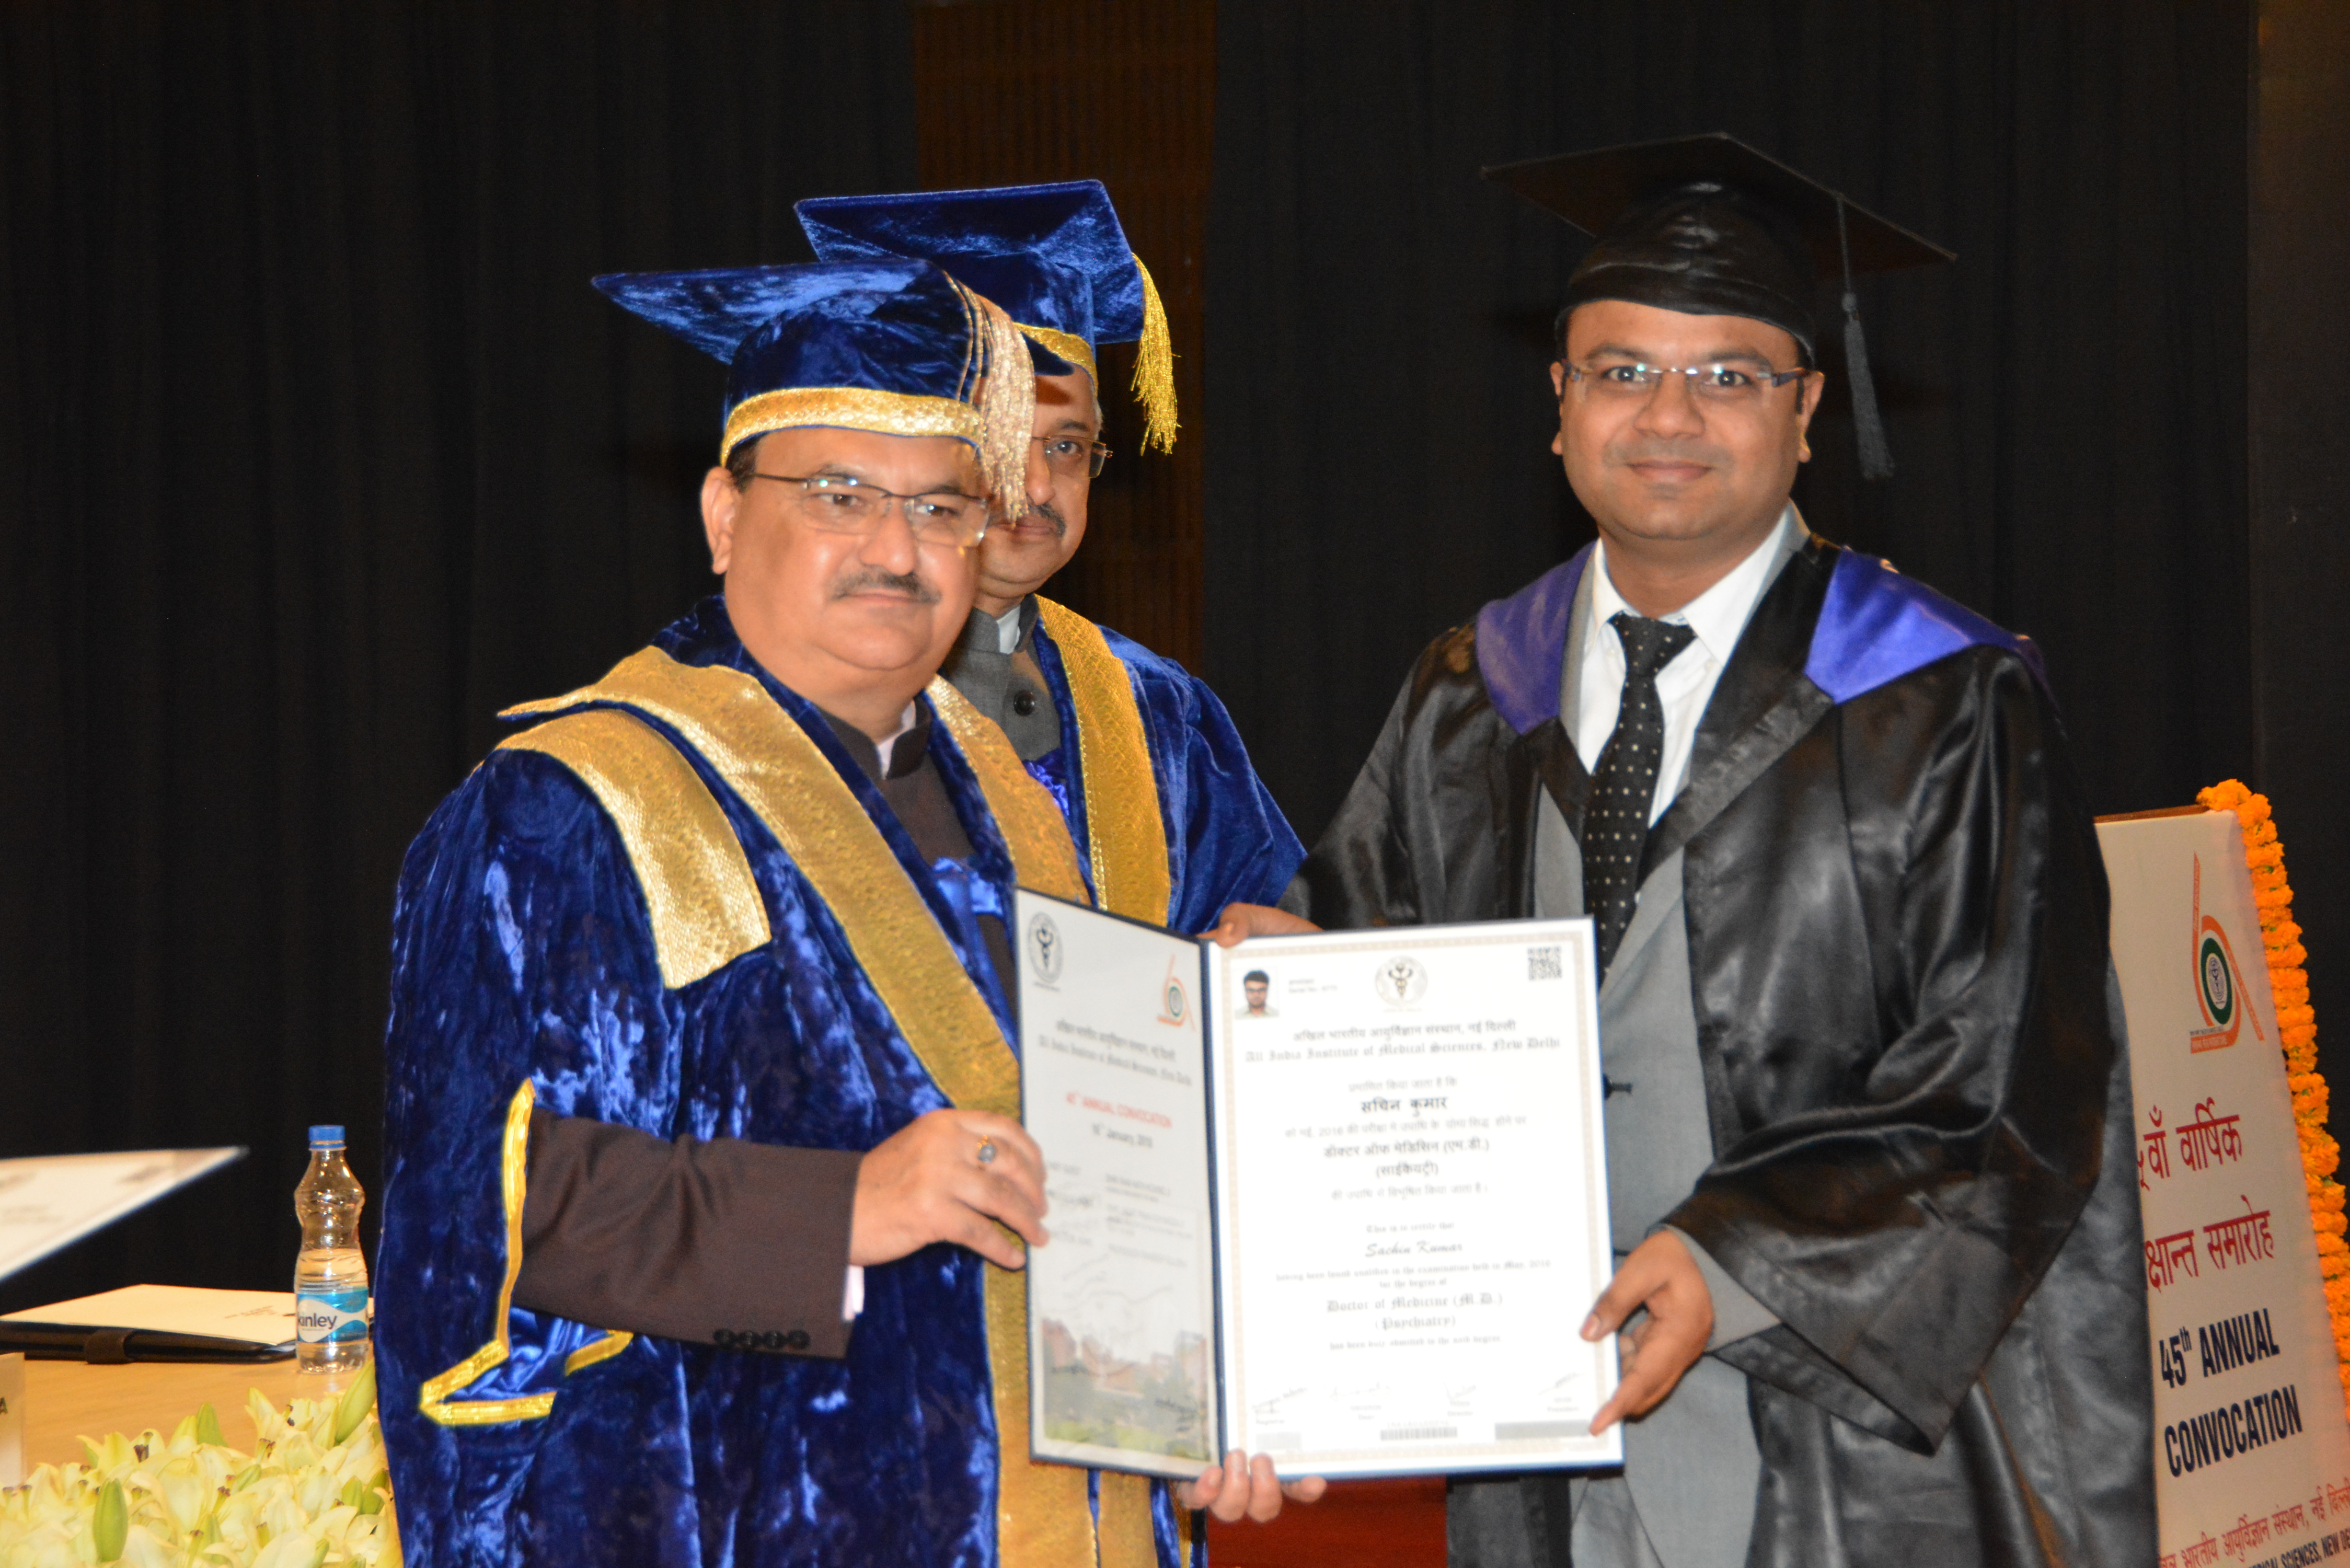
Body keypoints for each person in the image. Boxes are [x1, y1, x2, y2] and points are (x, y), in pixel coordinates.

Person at [1214, 134, 2155, 1567]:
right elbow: (1363, 972)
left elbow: (2013, 1089)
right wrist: (1282, 997)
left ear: (1806, 410)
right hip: (1531, 1419)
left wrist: (1735, 1256)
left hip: (1840, 1440)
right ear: (1560, 401)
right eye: (1621, 370)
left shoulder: (1943, 699)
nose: (1669, 415)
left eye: (1728, 375)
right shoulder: (1469, 689)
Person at [375, 257, 1316, 1567]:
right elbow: (478, 1219)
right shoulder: (574, 806)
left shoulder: (1018, 805)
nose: (895, 548)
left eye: (941, 507)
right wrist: (841, 1212)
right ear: (723, 515)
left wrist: (1204, 1383)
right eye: (838, 496)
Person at [798, 181, 1305, 933]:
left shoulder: (1156, 706)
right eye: (1000, 439)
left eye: (1067, 447)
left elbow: (1273, 925)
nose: (1036, 486)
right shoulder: (796, 697)